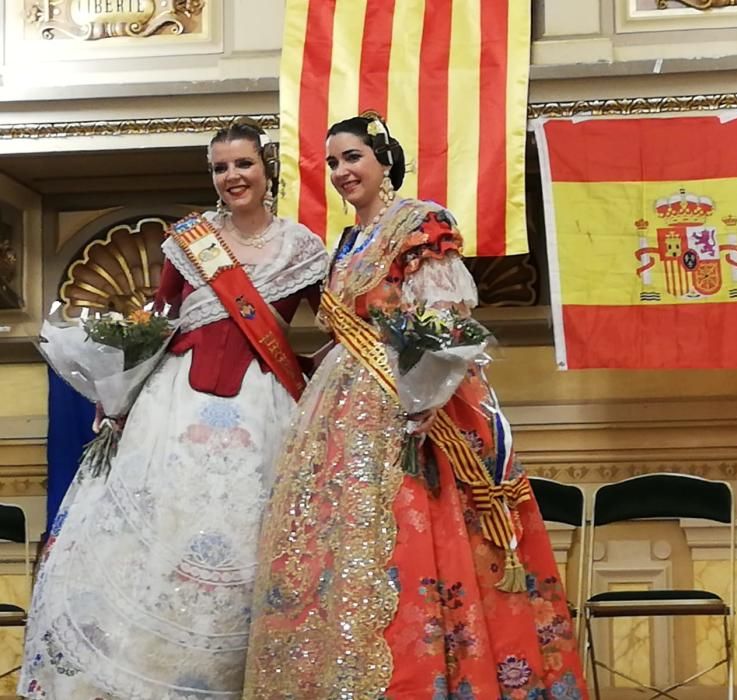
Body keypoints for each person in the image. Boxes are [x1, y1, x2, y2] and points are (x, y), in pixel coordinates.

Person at [243, 113, 587, 699]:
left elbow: (445, 319)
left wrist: (427, 393)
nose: (341, 172)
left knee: (423, 534)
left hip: (412, 406)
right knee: (339, 542)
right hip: (343, 405)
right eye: (331, 163)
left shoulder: (419, 224)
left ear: (383, 160)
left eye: (352, 157)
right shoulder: (347, 242)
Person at [19, 118, 329, 699]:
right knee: (163, 531)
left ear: (268, 170)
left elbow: (337, 325)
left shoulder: (302, 248)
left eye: (243, 164)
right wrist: (117, 389)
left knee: (248, 536)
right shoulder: (188, 242)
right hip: (174, 405)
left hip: (264, 410)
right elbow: (157, 323)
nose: (232, 177)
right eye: (220, 168)